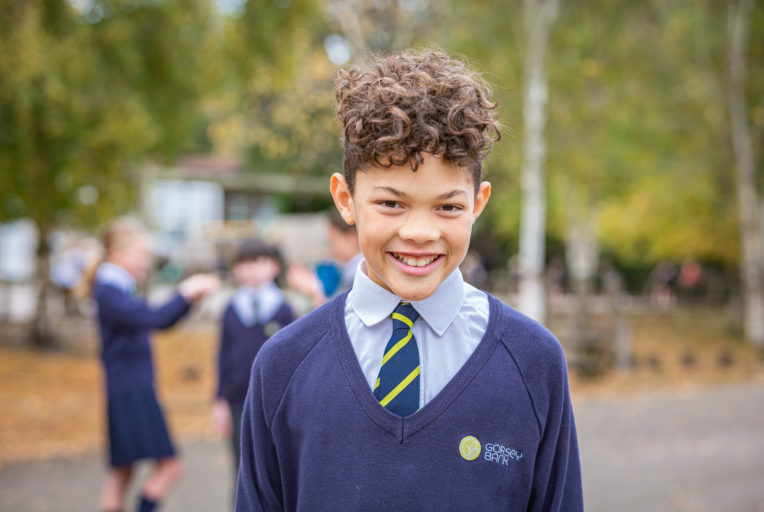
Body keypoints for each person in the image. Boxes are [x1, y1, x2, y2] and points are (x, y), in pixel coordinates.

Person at [236, 50, 583, 511]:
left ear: (478, 204)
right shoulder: (283, 366)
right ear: (346, 199)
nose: (420, 233)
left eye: (448, 206)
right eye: (392, 204)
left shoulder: (534, 362)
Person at [91, 218, 219, 512]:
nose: (145, 262)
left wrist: (189, 299)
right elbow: (154, 319)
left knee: (122, 472)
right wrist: (186, 291)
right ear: (117, 253)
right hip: (131, 389)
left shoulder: (114, 288)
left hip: (125, 387)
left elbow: (158, 320)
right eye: (140, 253)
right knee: (170, 467)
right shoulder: (109, 291)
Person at [212, 238, 295, 494]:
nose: (251, 270)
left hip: (276, 403)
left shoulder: (283, 310)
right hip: (239, 401)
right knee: (242, 471)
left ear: (274, 266)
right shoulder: (231, 310)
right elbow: (222, 356)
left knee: (279, 469)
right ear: (236, 270)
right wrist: (219, 399)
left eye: (258, 262)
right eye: (244, 264)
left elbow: (293, 360)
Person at [286, 208, 363, 309]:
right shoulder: (349, 272)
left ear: (352, 237)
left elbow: (347, 320)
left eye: (333, 240)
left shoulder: (360, 276)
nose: (331, 248)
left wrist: (315, 293)